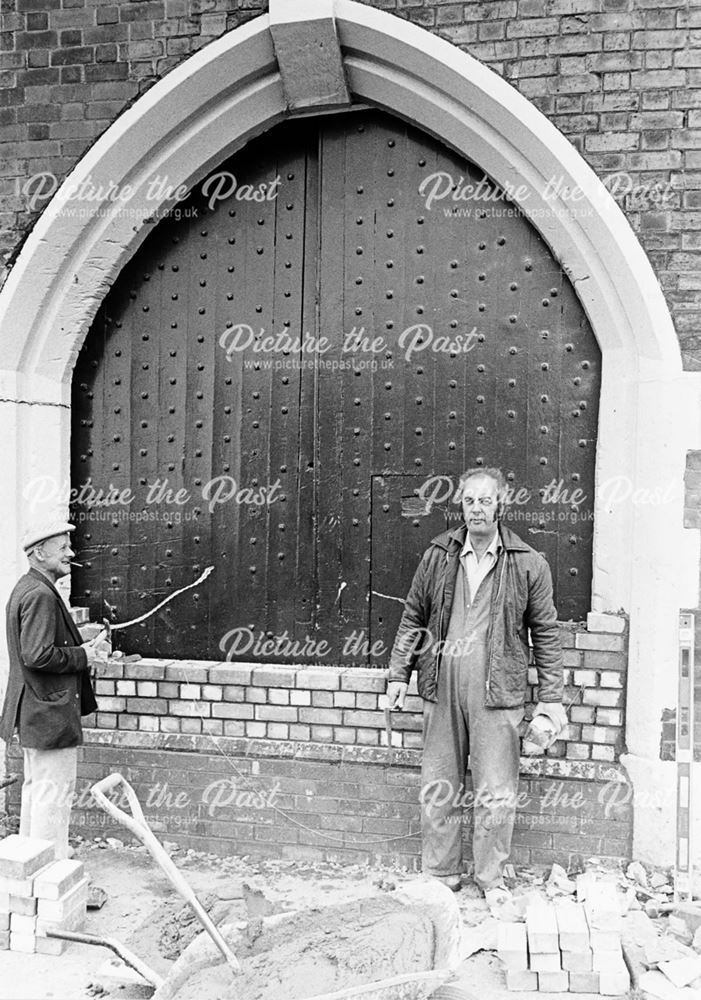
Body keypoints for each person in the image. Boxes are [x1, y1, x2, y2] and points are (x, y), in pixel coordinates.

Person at [387, 468, 567, 904]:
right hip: (441, 688)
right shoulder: (438, 555)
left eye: (485, 501)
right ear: (461, 505)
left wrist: (551, 700)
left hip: (498, 693)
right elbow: (413, 615)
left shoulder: (527, 562)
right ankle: (440, 874)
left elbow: (545, 633)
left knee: (496, 790)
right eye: (470, 501)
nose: (477, 509)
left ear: (501, 505)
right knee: (440, 783)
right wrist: (398, 674)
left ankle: (490, 879)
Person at [0, 521, 105, 859]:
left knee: (37, 792)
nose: (70, 553)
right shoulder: (41, 595)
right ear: (40, 553)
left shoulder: (27, 587)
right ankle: (51, 869)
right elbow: (37, 654)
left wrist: (81, 646)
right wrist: (83, 655)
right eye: (63, 548)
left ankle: (32, 865)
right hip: (49, 714)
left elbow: (37, 647)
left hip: (34, 711)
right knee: (53, 795)